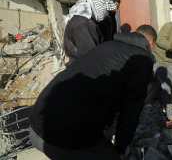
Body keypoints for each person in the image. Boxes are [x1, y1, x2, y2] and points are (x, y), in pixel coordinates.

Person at [29, 24, 157, 160]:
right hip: (57, 136)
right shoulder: (142, 60)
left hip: (36, 121)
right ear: (150, 43)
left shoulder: (107, 45)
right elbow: (130, 114)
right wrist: (120, 150)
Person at [63, 0, 117, 64]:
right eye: (105, 9)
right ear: (98, 5)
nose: (106, 13)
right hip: (82, 66)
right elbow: (89, 55)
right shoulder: (83, 24)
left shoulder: (87, 19)